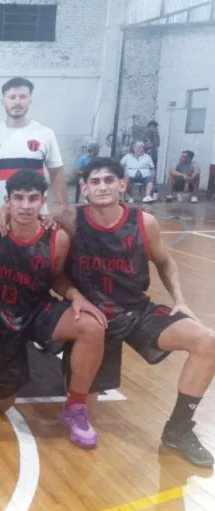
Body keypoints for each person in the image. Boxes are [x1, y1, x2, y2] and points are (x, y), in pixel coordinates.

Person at [56, 157, 215, 467]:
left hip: (135, 311)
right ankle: (75, 406)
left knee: (207, 342)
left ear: (122, 185)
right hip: (93, 318)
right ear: (85, 188)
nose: (102, 186)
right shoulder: (70, 220)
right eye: (95, 182)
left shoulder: (144, 222)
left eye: (109, 180)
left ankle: (179, 429)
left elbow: (165, 262)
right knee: (85, 415)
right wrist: (75, 296)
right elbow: (54, 268)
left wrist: (180, 300)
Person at [0, 170, 107, 449]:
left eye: (33, 198)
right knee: (1, 402)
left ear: (43, 201)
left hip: (36, 310)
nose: (25, 206)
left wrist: (75, 296)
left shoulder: (57, 238)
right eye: (18, 198)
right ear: (7, 201)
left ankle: (75, 408)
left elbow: (57, 277)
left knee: (91, 326)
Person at [0, 77, 67, 209]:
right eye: (12, 97)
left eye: (22, 97)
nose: (17, 102)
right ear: (3, 101)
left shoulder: (45, 134)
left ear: (30, 101)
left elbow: (57, 172)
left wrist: (64, 206)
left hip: (32, 211)